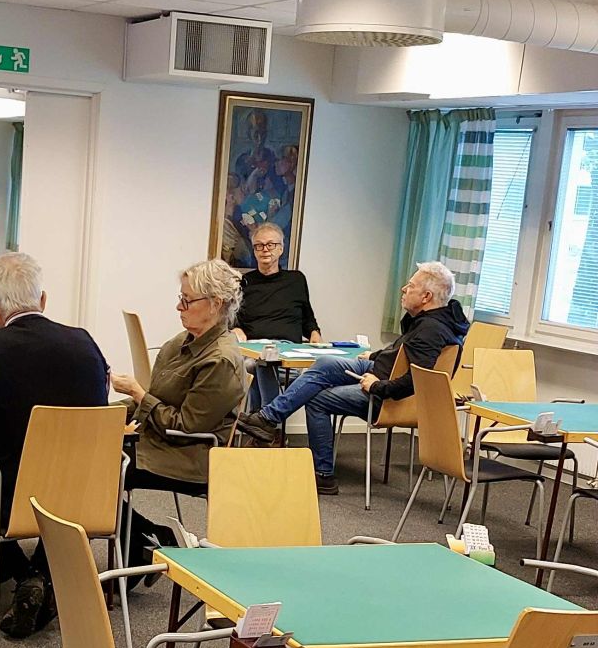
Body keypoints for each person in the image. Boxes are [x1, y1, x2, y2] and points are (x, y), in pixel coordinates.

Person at [0, 252, 109, 639]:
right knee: (41, 503)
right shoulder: (88, 343)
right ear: (43, 300)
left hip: (16, 498)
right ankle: (44, 583)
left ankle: (26, 576)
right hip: (86, 497)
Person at [237, 262, 469, 495]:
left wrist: (377, 386)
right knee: (326, 363)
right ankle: (268, 418)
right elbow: (402, 354)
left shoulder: (430, 330)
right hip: (381, 370)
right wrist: (375, 356)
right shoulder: (435, 320)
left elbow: (417, 381)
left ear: (426, 296)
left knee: (317, 399)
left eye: (410, 286)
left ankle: (322, 474)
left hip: (388, 396)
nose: (403, 289)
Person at [112, 259, 245, 579]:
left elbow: (185, 425)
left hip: (188, 455)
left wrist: (139, 395)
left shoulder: (221, 360)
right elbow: (156, 398)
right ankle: (150, 542)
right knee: (88, 461)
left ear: (215, 304)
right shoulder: (182, 342)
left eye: (187, 300)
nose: (178, 307)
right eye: (181, 298)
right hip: (159, 440)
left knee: (98, 473)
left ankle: (148, 544)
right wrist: (101, 414)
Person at [233, 222, 321, 410]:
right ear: (254, 250)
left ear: (281, 249)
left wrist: (315, 333)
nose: (265, 249)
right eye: (259, 245)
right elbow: (233, 317)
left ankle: (262, 419)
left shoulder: (296, 279)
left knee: (261, 363)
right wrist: (236, 328)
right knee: (259, 362)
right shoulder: (244, 282)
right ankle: (266, 420)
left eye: (270, 244)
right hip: (253, 350)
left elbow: (308, 317)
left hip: (287, 352)